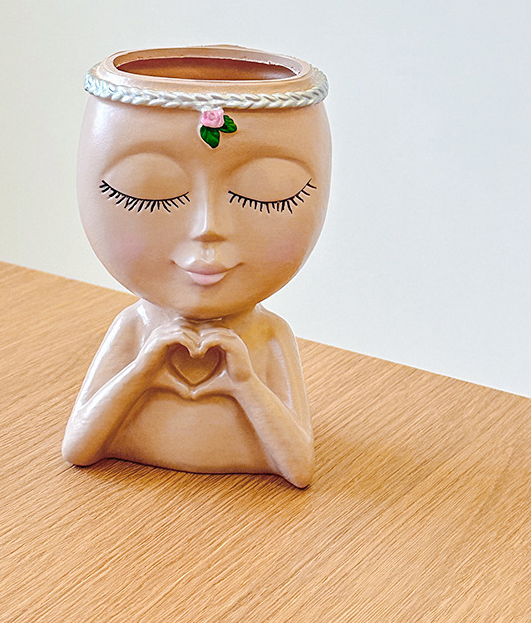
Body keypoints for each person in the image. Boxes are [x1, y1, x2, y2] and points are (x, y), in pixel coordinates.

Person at [62, 47, 331, 487]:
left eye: (268, 195)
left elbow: (299, 468)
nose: (208, 228)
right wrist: (143, 368)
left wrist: (244, 381)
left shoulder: (267, 336)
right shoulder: (136, 328)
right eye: (146, 193)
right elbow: (78, 447)